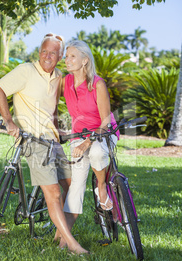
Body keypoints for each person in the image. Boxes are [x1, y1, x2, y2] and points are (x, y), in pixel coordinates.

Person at [0, 33, 88, 254]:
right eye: (44, 51)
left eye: (53, 52)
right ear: (39, 52)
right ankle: (72, 244)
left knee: (73, 186)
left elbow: (52, 107)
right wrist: (8, 121)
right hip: (32, 140)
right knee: (53, 193)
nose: (47, 56)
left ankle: (61, 234)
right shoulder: (26, 70)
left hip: (52, 140)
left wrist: (56, 127)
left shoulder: (58, 76)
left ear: (60, 56)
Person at [60, 40, 120, 247]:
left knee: (95, 152)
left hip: (103, 133)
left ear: (85, 60)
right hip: (78, 136)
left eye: (72, 56)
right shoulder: (66, 82)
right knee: (76, 185)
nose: (67, 60)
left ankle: (101, 187)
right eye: (66, 56)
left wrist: (86, 143)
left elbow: (105, 121)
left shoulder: (98, 84)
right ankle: (64, 241)